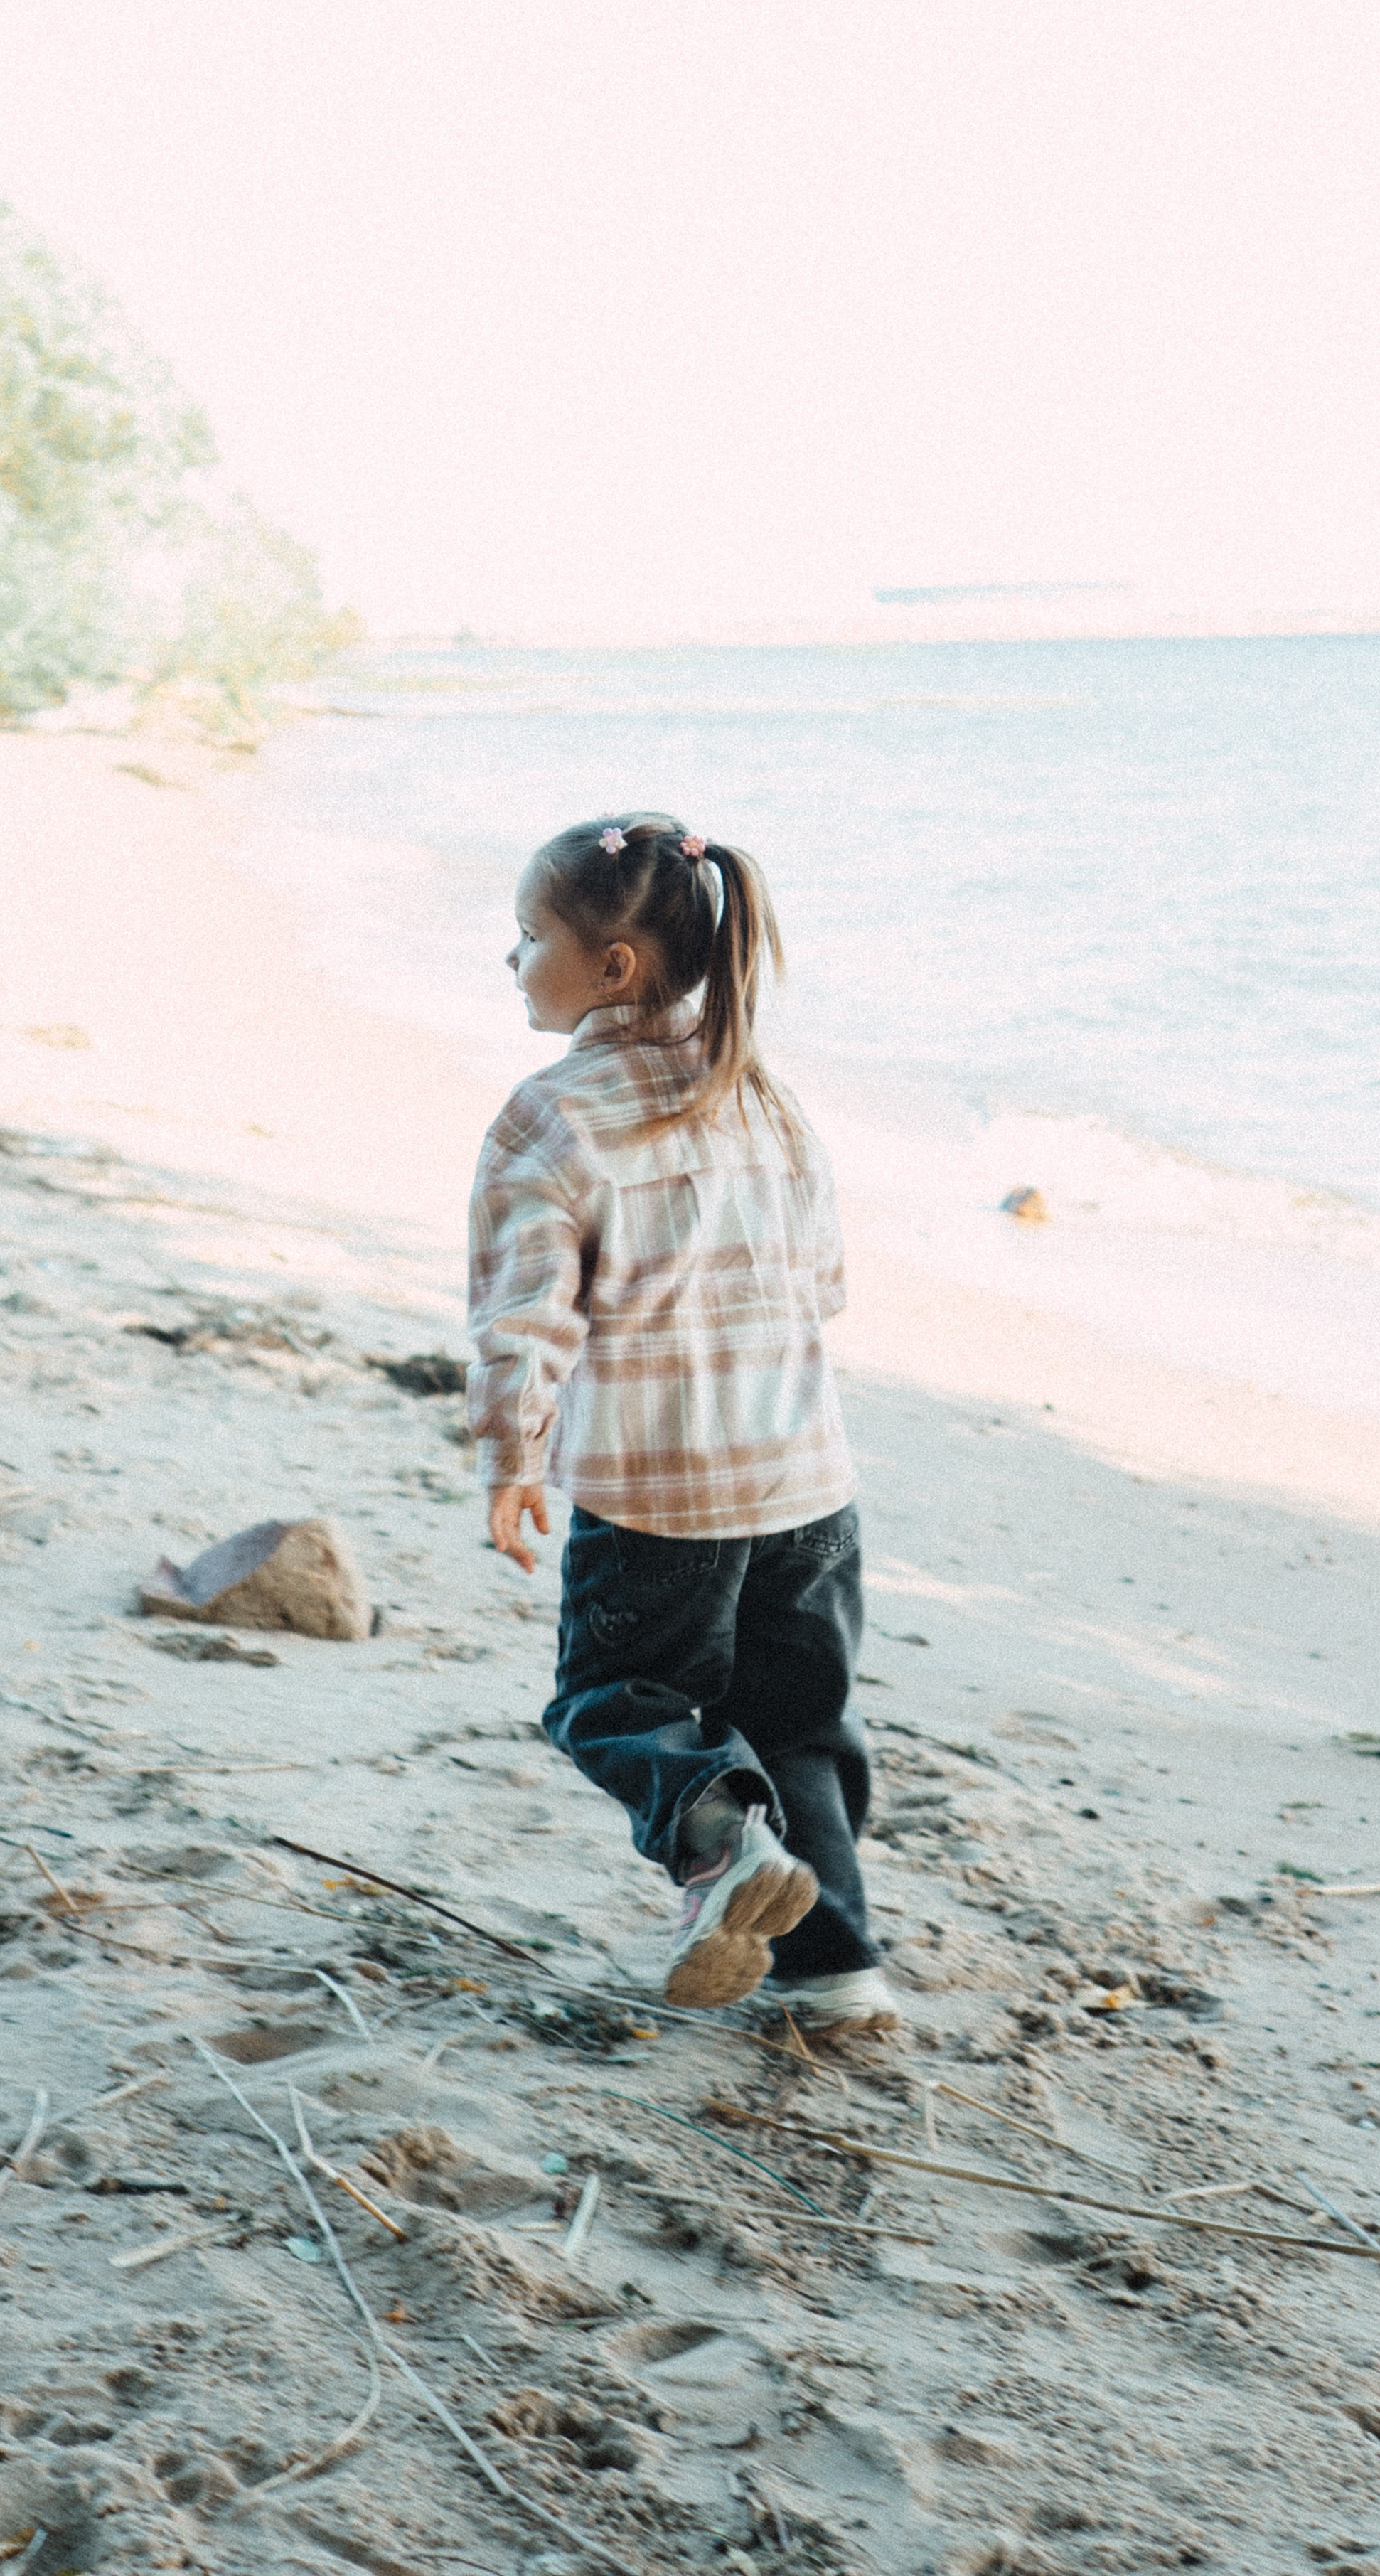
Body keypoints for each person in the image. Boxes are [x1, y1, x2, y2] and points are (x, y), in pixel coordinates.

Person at [466, 813, 897, 2032]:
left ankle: (718, 1840)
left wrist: (512, 1456)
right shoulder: (764, 1096)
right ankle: (841, 1979)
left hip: (659, 1497)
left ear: (612, 967)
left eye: (528, 935)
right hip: (810, 1484)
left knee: (610, 1699)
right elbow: (825, 1289)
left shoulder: (550, 1117)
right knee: (802, 1732)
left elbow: (523, 1318)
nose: (511, 960)